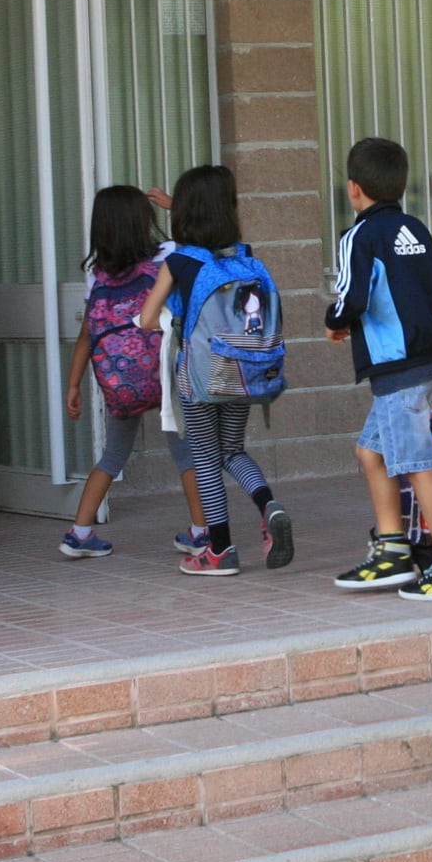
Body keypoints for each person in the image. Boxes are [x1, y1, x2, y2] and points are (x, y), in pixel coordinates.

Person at [327, 139, 432, 602]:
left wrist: (335, 322)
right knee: (371, 453)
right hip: (429, 359)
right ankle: (393, 548)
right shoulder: (414, 228)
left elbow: (352, 294)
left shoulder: (359, 236)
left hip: (398, 367)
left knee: (415, 464)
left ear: (354, 189)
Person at [137, 166, 293, 576]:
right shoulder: (245, 256)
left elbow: (148, 317)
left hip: (201, 377)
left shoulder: (179, 262)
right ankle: (269, 506)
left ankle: (220, 550)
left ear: (183, 211)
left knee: (205, 458)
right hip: (245, 373)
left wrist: (168, 320)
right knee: (233, 451)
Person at [57, 185, 173, 559]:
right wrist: (176, 207)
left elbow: (85, 335)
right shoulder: (166, 256)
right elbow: (203, 246)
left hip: (122, 382)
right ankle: (203, 531)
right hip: (164, 374)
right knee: (186, 453)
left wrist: (73, 384)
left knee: (112, 455)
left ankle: (80, 532)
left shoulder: (98, 275)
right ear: (144, 222)